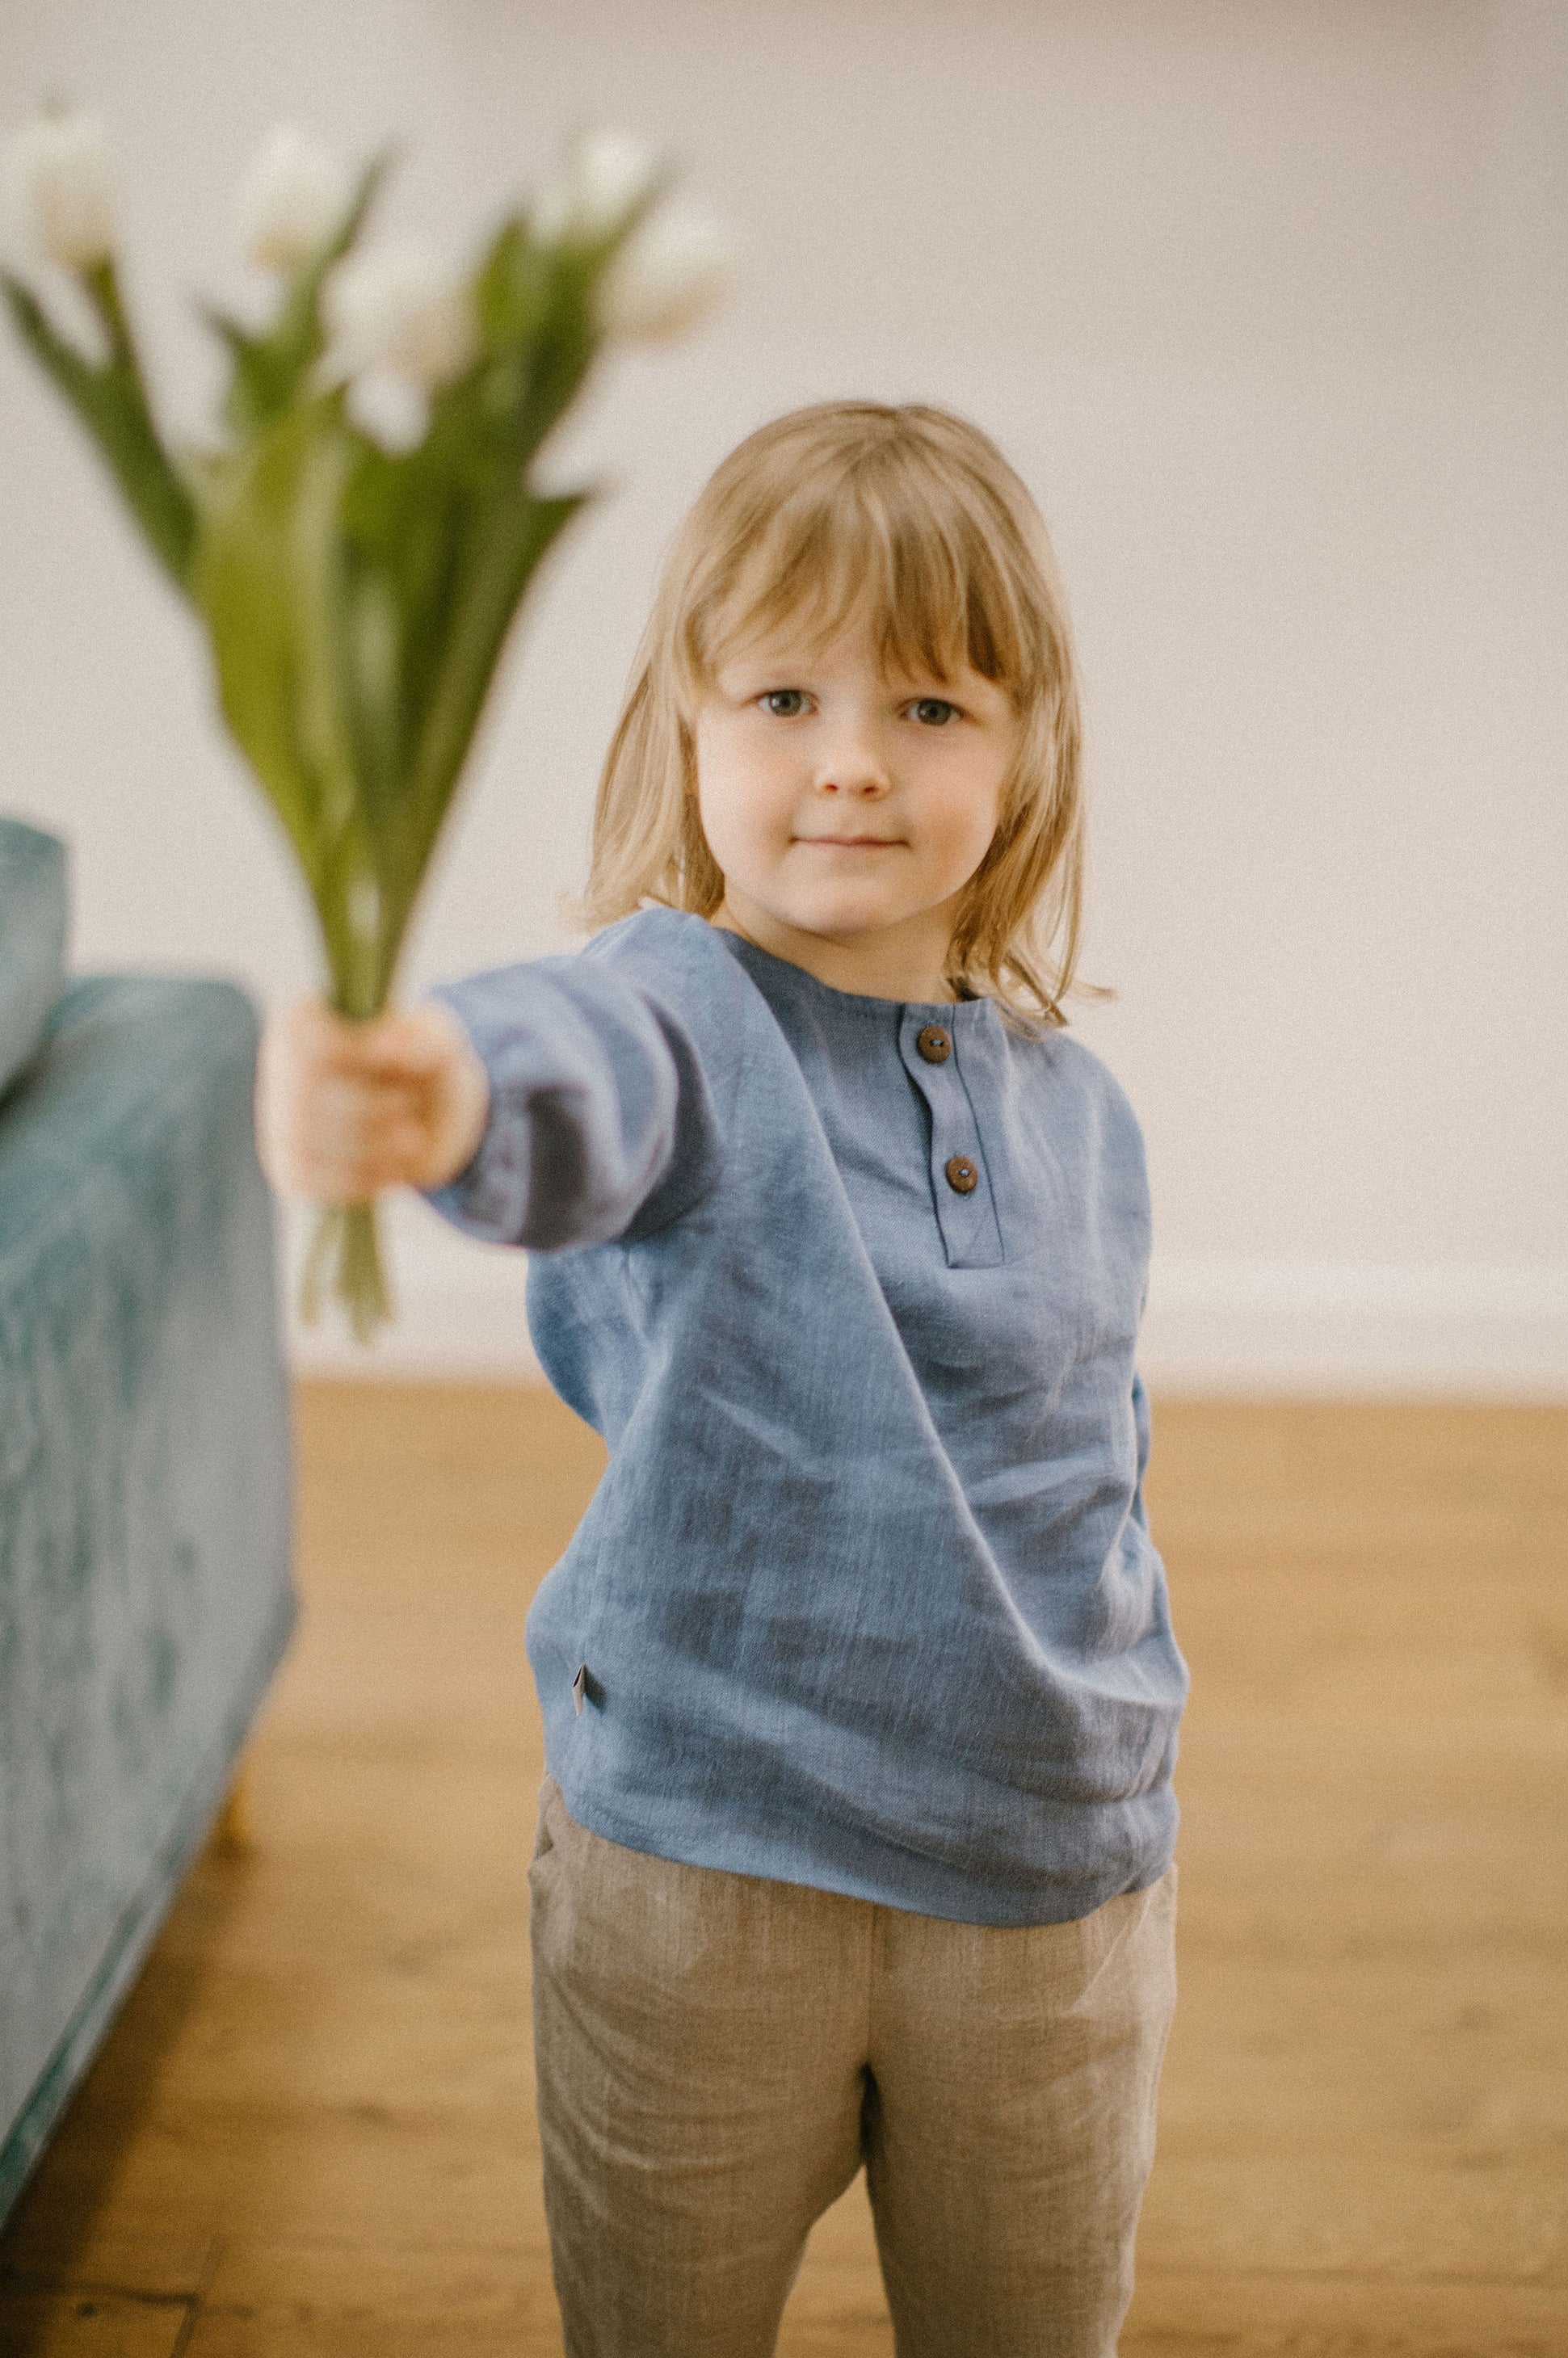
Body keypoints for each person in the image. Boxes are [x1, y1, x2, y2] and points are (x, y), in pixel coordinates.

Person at [256, 400, 1189, 2358]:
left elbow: (1091, 1478)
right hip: (697, 1870)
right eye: (781, 694)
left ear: (1023, 755)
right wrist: (440, 1086)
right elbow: (563, 1080)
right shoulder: (669, 1010)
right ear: (688, 732)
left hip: (1040, 1888)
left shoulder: (1083, 1116)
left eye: (930, 707)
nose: (849, 762)